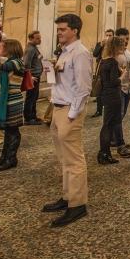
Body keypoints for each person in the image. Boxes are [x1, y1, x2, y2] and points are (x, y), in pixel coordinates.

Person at [41, 14, 92, 227]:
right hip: (58, 109)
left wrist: (72, 115)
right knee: (64, 158)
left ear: (75, 31)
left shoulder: (80, 54)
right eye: (59, 29)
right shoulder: (64, 52)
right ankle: (67, 196)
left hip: (69, 111)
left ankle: (78, 204)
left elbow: (84, 89)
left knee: (74, 159)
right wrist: (51, 72)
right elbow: (62, 82)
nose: (59, 32)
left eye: (63, 29)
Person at [0, 39, 26, 172]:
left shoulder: (16, 63)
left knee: (12, 130)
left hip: (12, 101)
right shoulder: (9, 62)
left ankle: (11, 159)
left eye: (2, 47)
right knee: (8, 130)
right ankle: (4, 157)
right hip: (6, 100)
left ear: (10, 49)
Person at [96, 36, 125, 165]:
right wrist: (123, 75)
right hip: (113, 95)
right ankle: (104, 153)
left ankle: (104, 152)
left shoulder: (103, 60)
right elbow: (114, 81)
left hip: (105, 94)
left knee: (107, 124)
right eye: (122, 46)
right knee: (109, 125)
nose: (123, 48)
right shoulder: (112, 62)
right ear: (116, 47)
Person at [111, 28, 130, 158]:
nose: (125, 42)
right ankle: (119, 143)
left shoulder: (128, 53)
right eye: (123, 39)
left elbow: (128, 70)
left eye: (127, 39)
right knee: (117, 117)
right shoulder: (113, 54)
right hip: (118, 88)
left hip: (127, 87)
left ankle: (114, 139)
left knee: (121, 115)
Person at [91, 29, 114, 118]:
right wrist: (101, 45)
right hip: (101, 67)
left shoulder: (114, 45)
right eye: (107, 35)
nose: (108, 37)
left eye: (110, 35)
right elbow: (95, 54)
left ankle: (109, 108)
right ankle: (99, 110)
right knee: (99, 87)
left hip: (111, 67)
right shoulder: (100, 43)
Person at [22, 31, 43, 125]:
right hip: (33, 77)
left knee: (34, 97)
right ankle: (28, 118)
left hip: (36, 76)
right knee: (30, 97)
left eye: (40, 38)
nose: (40, 40)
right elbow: (26, 64)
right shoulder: (30, 49)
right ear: (31, 38)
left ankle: (33, 116)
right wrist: (30, 77)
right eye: (37, 38)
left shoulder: (34, 48)